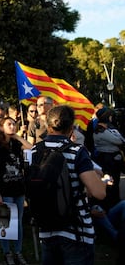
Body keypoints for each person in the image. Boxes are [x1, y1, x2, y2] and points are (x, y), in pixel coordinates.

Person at [32, 105, 106, 264]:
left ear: (49, 126)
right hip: (76, 231)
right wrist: (103, 179)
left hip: (46, 229)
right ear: (71, 127)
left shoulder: (34, 151)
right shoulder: (77, 151)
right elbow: (99, 193)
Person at [0, 117, 32, 265]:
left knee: (19, 222)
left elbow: (30, 147)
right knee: (5, 222)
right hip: (5, 190)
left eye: (14, 124)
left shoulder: (16, 144)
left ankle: (18, 251)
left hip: (19, 189)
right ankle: (7, 252)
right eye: (9, 124)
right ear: (1, 127)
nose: (12, 126)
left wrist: (17, 136)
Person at [93, 107, 125, 209]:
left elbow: (121, 139)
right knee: (111, 182)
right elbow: (119, 141)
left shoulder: (109, 128)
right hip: (107, 158)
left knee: (115, 181)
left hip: (114, 158)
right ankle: (112, 204)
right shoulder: (100, 129)